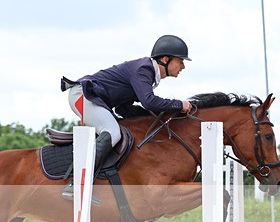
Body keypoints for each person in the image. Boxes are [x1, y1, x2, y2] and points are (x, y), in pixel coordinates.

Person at [60, 34, 193, 201]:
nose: (183, 67)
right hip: (83, 95)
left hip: (92, 97)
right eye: (180, 61)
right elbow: (149, 102)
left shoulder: (148, 73)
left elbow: (124, 108)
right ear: (165, 59)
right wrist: (178, 104)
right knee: (112, 132)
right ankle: (76, 185)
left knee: (120, 130)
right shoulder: (144, 69)